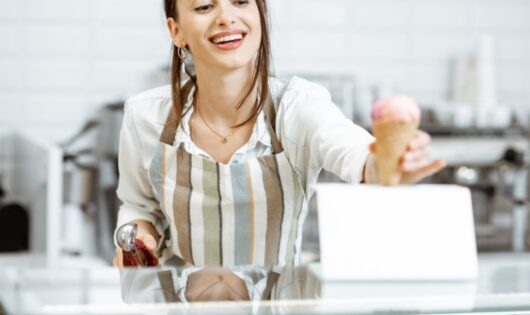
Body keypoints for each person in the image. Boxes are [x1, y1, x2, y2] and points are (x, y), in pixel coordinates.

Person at [112, 0, 445, 270]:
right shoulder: (145, 117)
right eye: (204, 7)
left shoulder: (298, 106)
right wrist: (137, 239)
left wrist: (388, 165)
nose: (227, 17)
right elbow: (138, 206)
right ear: (176, 31)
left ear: (260, 14)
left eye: (241, 2)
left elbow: (354, 153)